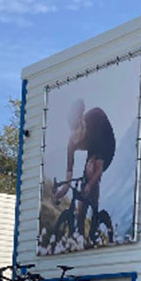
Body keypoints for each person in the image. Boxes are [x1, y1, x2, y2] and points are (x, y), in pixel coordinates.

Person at [54, 99, 116, 241]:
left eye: (79, 133)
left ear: (82, 123)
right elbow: (69, 173)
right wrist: (62, 191)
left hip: (106, 142)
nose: (77, 138)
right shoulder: (72, 142)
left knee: (91, 170)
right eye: (74, 135)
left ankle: (95, 216)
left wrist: (89, 185)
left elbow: (99, 169)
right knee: (83, 188)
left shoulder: (94, 124)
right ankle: (80, 231)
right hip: (93, 148)